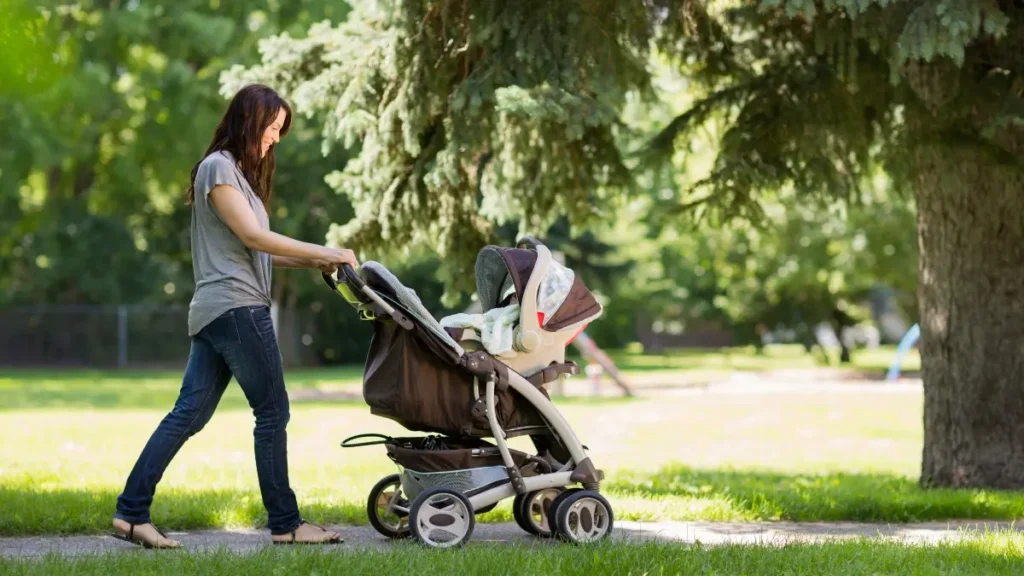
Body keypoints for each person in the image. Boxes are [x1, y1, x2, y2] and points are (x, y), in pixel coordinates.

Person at [111, 84, 355, 548]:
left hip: (217, 312)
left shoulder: (238, 178)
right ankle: (286, 524)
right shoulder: (218, 168)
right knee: (272, 411)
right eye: (272, 127)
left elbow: (258, 251)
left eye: (281, 130)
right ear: (250, 120)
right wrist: (328, 250)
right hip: (237, 309)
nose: (276, 139)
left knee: (188, 415)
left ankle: (130, 513)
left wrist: (318, 261)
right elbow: (254, 238)